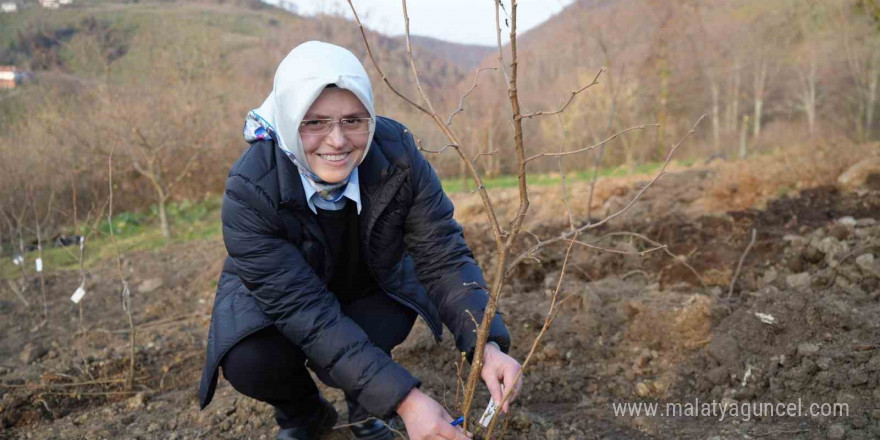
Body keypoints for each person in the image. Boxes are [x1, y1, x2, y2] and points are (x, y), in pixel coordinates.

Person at [197, 41, 521, 440]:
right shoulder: (251, 188)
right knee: (251, 361)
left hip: (367, 282)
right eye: (314, 122)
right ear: (287, 118)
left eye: (353, 120)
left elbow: (443, 254)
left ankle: (365, 409)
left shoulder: (396, 152)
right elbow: (305, 312)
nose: (337, 141)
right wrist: (407, 401)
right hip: (282, 297)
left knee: (378, 325)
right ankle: (304, 415)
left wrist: (485, 345)